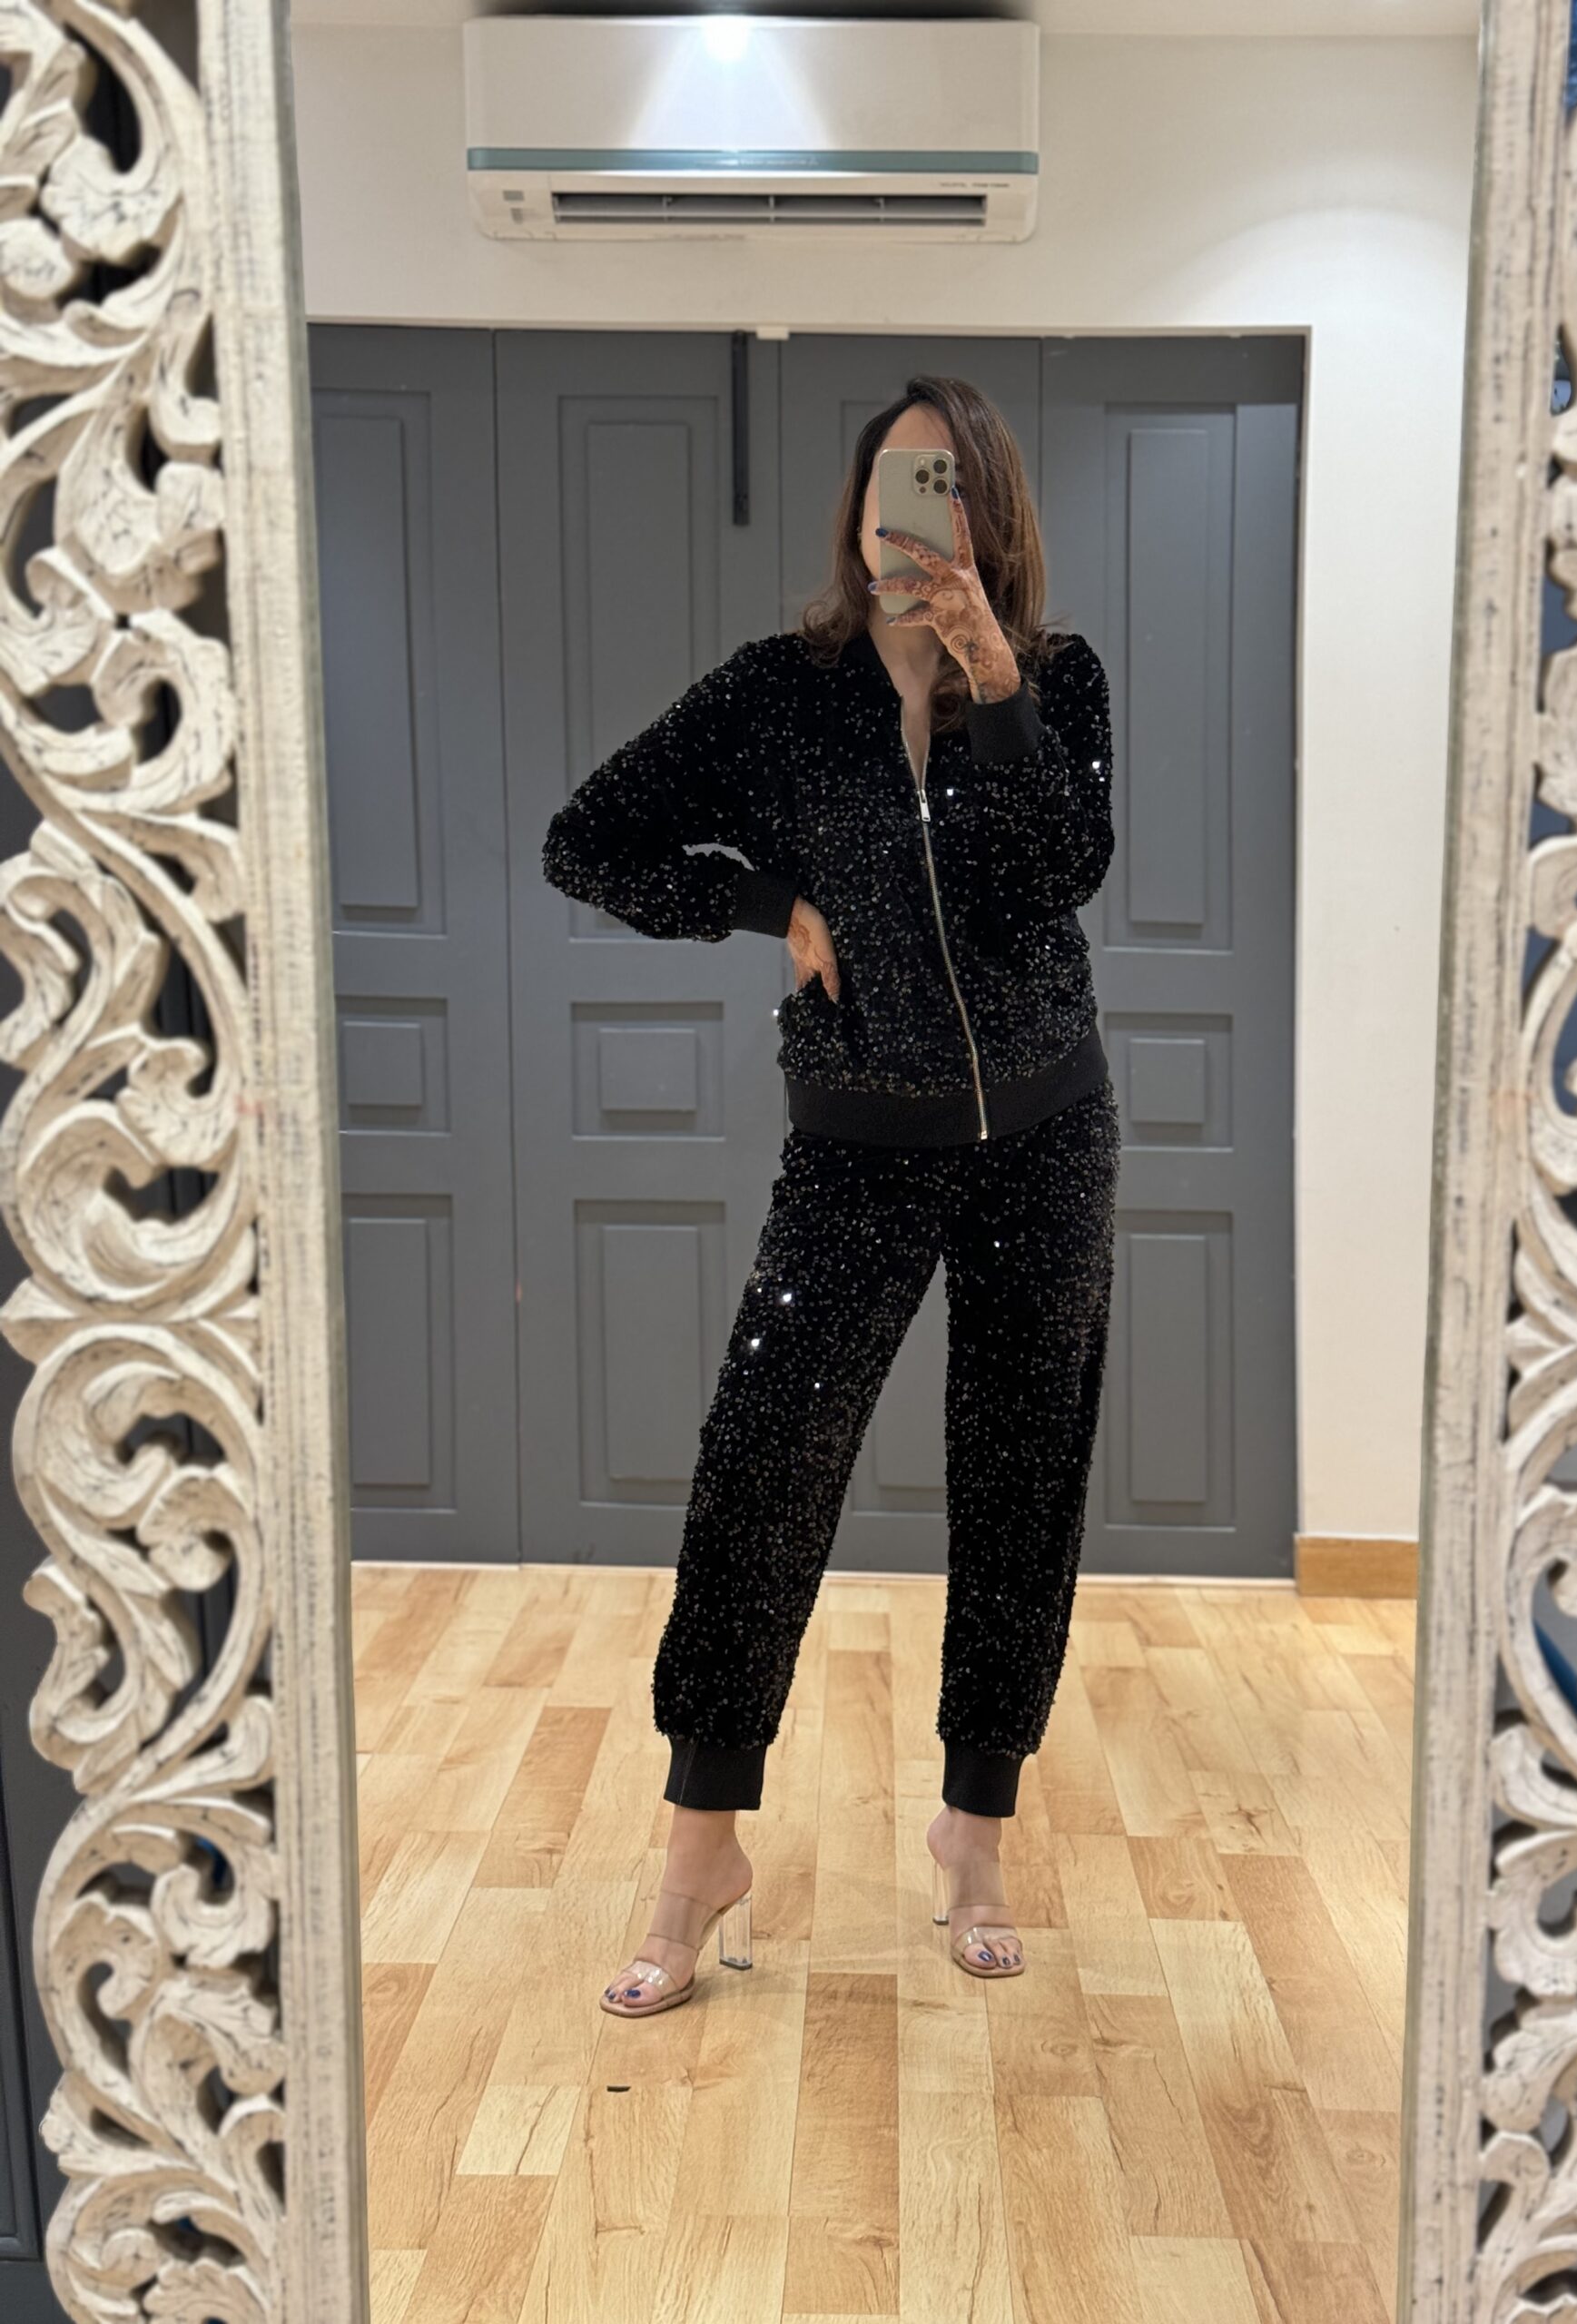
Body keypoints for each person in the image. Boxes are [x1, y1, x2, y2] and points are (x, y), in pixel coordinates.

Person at [541, 373, 1120, 2016]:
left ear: (987, 510)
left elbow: (1064, 870)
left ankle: (975, 1833)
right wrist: (767, 904)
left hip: (1047, 1135)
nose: (910, 516)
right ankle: (698, 1853)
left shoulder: (1059, 678)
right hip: (858, 1142)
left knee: (1021, 1479)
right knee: (762, 1470)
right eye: (890, 486)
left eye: (943, 485)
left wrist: (995, 677)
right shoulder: (777, 695)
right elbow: (587, 841)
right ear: (857, 511)